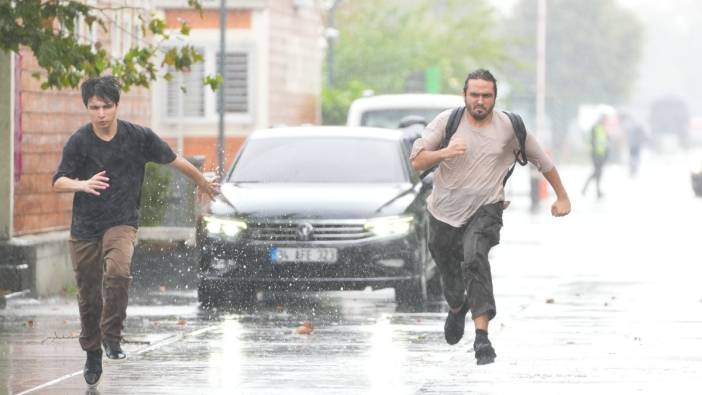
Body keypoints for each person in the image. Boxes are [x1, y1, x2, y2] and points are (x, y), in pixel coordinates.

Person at [52, 76, 219, 387]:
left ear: (117, 106)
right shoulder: (79, 141)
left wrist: (202, 182)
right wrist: (83, 184)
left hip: (122, 221)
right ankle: (92, 350)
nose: (100, 113)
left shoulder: (138, 137)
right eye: (94, 107)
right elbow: (58, 180)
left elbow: (175, 159)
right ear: (87, 108)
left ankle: (112, 339)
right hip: (85, 227)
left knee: (117, 272)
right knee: (88, 294)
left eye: (106, 106)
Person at [410, 69, 571, 365]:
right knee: (448, 271)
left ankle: (482, 337)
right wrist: (444, 152)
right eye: (475, 95)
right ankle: (457, 306)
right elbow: (417, 161)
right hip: (443, 212)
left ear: (495, 97)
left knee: (474, 258)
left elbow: (542, 160)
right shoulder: (448, 122)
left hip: (486, 209)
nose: (480, 101)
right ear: (465, 96)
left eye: (486, 95)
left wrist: (561, 195)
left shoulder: (510, 127)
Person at [581, 115, 609, 198]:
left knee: (598, 173)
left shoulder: (603, 129)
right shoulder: (595, 128)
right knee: (596, 172)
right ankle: (586, 188)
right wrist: (593, 153)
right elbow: (592, 141)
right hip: (596, 154)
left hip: (602, 154)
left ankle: (597, 191)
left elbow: (605, 142)